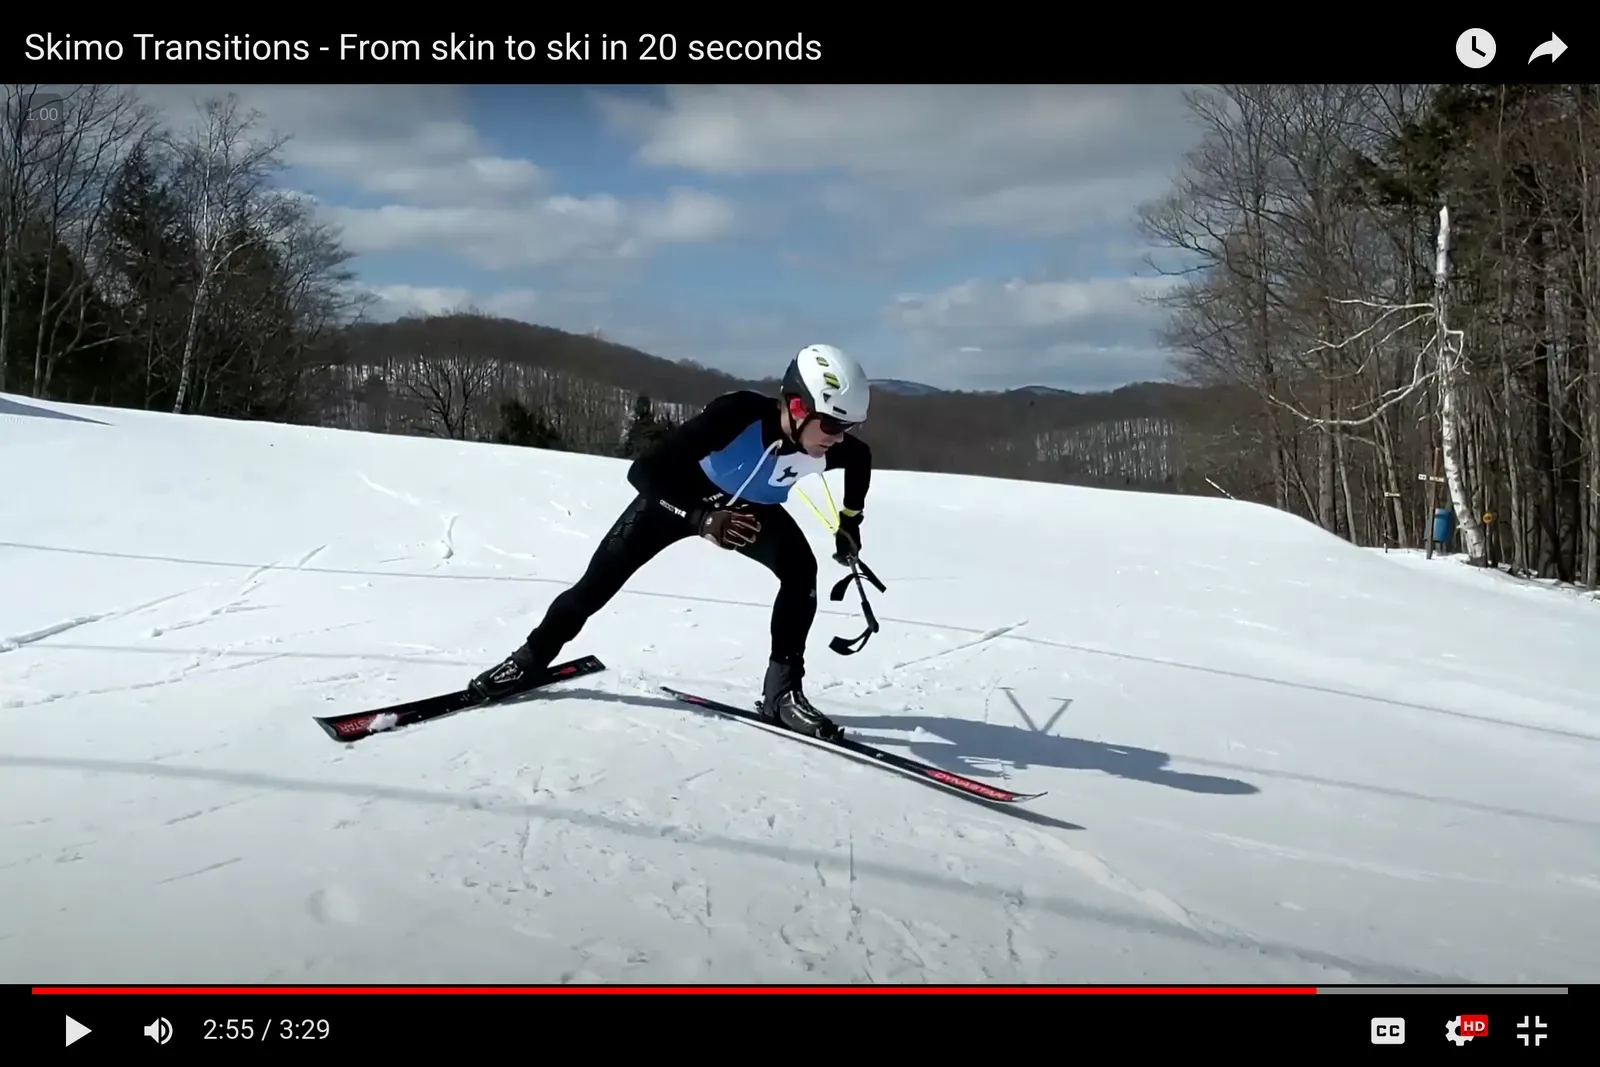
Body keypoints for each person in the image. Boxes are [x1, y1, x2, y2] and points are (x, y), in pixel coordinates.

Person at [467, 344, 873, 740]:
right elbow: (643, 472)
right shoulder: (738, 416)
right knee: (595, 586)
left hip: (750, 513)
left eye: (848, 427)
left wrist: (850, 524)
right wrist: (701, 519)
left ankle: (781, 694)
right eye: (834, 426)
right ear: (799, 407)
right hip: (677, 499)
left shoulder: (825, 444)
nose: (839, 439)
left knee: (801, 572)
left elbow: (860, 459)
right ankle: (530, 659)